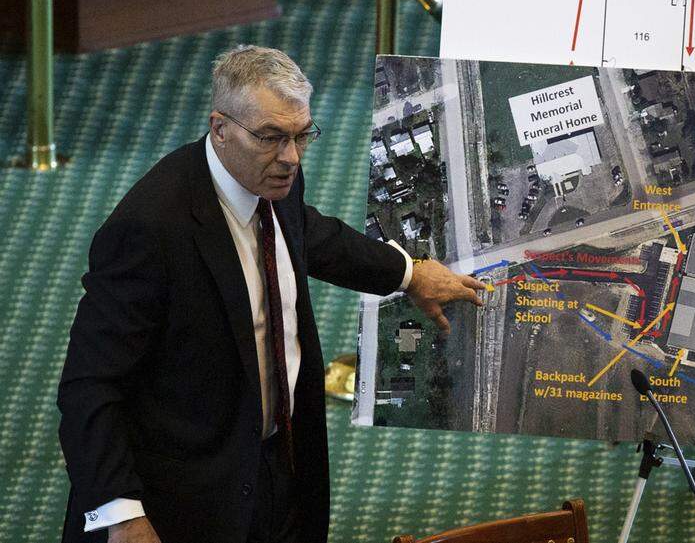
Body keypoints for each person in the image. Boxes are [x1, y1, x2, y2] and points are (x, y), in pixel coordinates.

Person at [57, 45, 486, 543]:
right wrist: (123, 516)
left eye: (302, 136)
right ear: (220, 129)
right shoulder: (149, 230)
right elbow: (90, 386)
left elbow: (306, 234)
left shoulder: (271, 178)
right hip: (181, 499)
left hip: (278, 470)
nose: (291, 158)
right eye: (272, 138)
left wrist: (407, 273)